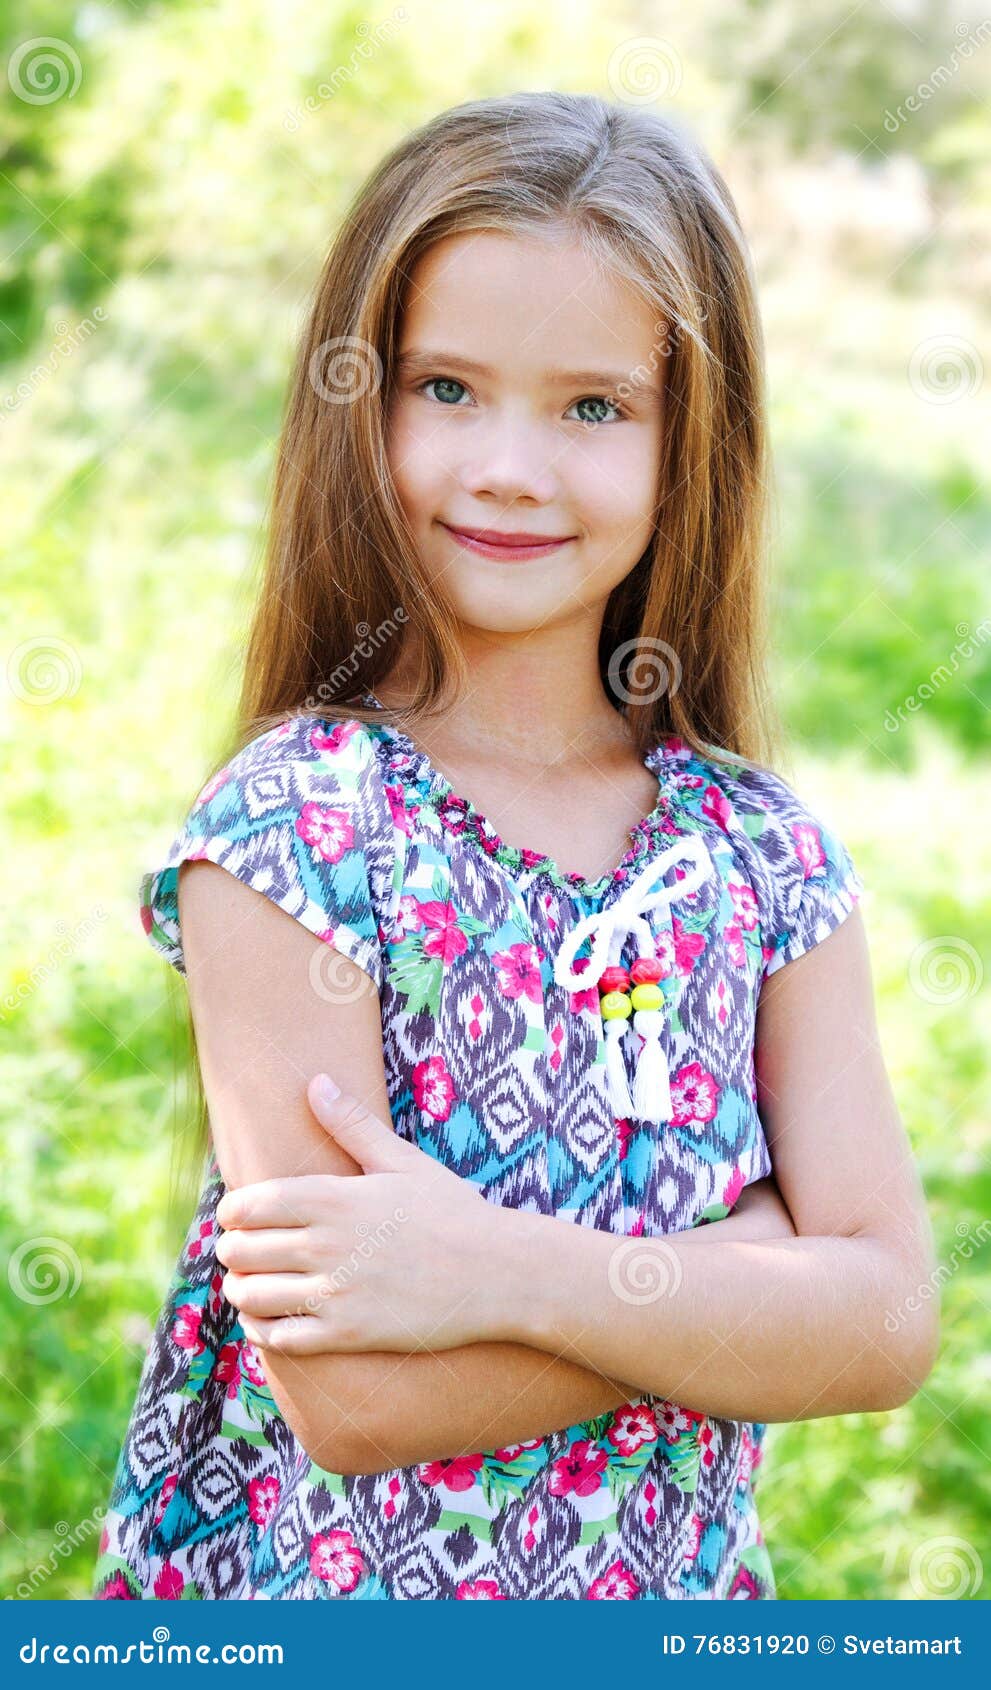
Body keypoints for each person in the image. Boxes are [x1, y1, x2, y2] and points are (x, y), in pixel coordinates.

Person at [94, 91, 937, 1601]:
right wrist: (740, 1276)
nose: (508, 466)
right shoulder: (303, 827)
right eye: (449, 389)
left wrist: (487, 1270)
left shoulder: (758, 853)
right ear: (364, 397)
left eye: (594, 407)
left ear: (696, 442)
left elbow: (884, 1325)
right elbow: (353, 1397)